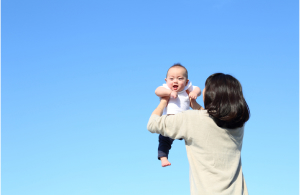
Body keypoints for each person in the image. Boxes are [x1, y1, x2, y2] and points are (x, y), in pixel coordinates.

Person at [147, 73, 250, 195]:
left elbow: (152, 124)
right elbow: (211, 120)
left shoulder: (190, 119)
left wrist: (163, 102)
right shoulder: (238, 124)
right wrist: (196, 107)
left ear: (211, 94)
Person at [154, 64, 202, 167]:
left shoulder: (187, 89)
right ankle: (163, 158)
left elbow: (198, 89)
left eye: (180, 79)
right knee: (164, 139)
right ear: (166, 80)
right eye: (171, 78)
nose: (175, 81)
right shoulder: (166, 88)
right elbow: (157, 91)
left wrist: (194, 93)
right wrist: (169, 92)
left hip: (185, 121)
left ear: (186, 82)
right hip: (170, 121)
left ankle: (200, 156)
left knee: (196, 137)